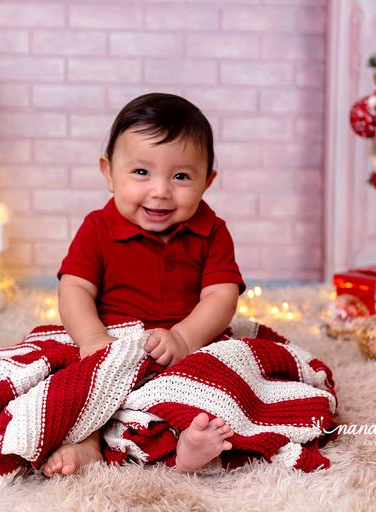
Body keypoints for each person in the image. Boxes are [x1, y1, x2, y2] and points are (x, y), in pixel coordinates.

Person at [42, 93, 245, 477]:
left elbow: (222, 295)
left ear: (207, 181)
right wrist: (91, 338)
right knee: (71, 386)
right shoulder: (97, 228)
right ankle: (88, 443)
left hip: (183, 346)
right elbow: (75, 289)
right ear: (108, 172)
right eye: (141, 173)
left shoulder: (212, 232)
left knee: (218, 378)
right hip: (111, 341)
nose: (161, 191)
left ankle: (186, 441)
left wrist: (184, 338)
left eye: (181, 176)